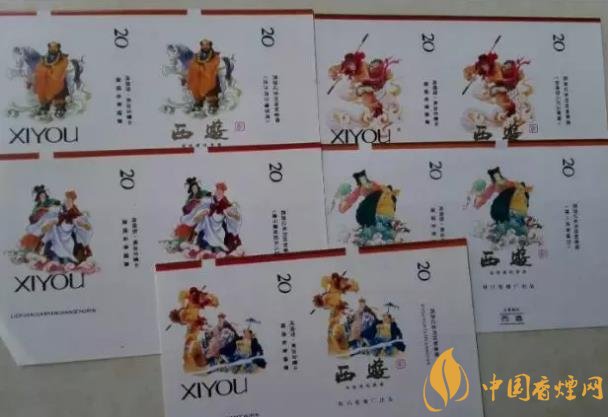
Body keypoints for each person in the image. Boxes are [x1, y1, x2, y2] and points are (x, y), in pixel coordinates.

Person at [34, 42, 70, 117]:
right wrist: (44, 71)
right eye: (51, 47)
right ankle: (45, 105)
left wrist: (52, 71)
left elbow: (61, 68)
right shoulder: (45, 58)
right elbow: (40, 67)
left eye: (55, 47)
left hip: (58, 79)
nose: (53, 49)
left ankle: (60, 107)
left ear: (58, 48)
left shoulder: (62, 59)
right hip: (48, 80)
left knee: (59, 85)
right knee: (43, 84)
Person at [187, 39, 220, 112]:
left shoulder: (214, 55)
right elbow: (192, 64)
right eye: (203, 45)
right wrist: (197, 67)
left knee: (211, 82)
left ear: (210, 45)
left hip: (209, 75)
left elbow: (214, 63)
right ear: (201, 46)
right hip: (199, 75)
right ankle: (199, 102)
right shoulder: (197, 55)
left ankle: (213, 104)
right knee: (195, 82)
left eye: (207, 45)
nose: (205, 46)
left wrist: (203, 67)